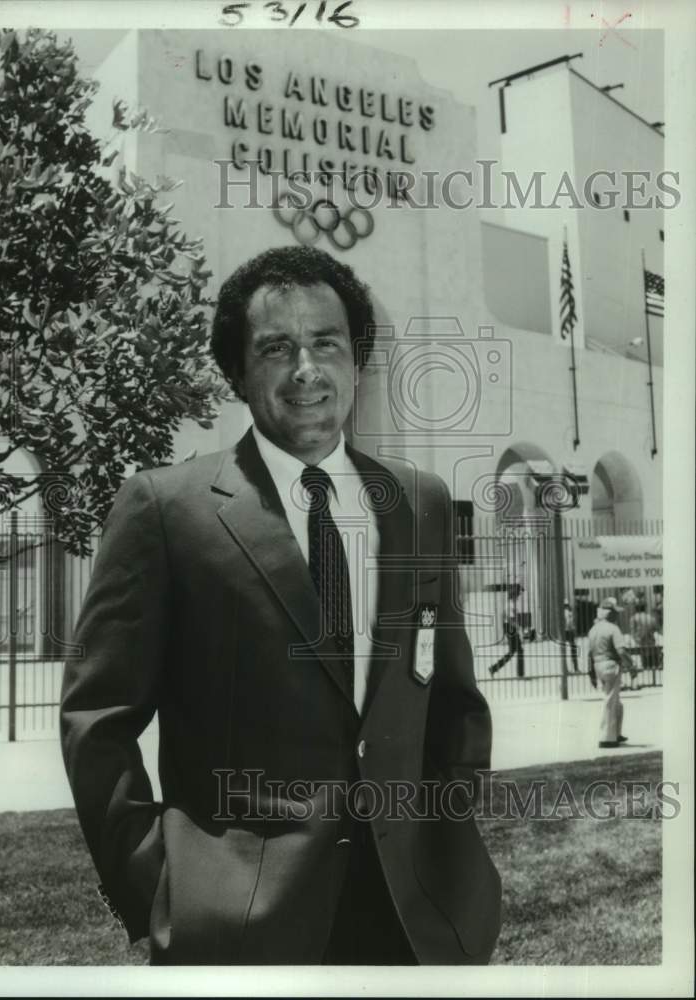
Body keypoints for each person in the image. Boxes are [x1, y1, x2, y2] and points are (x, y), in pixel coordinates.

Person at [59, 245, 501, 966]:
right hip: (240, 928)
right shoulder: (165, 510)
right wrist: (154, 889)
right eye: (275, 348)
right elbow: (97, 720)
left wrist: (450, 849)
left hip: (414, 917)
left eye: (326, 342)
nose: (306, 369)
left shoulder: (418, 504)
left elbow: (452, 701)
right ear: (237, 373)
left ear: (356, 360)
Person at [587, 596, 633, 748]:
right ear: (610, 614)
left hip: (598, 665)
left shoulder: (593, 630)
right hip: (611, 665)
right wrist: (631, 666)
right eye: (615, 612)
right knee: (610, 701)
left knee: (617, 703)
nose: (618, 615)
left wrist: (591, 674)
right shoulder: (613, 629)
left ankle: (616, 733)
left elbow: (589, 654)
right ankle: (606, 738)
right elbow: (621, 650)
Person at [488, 592, 525, 678]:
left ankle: (520, 673)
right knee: (515, 651)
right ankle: (494, 668)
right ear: (513, 597)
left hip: (510, 628)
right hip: (511, 629)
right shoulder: (510, 605)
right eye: (517, 596)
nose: (518, 598)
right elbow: (509, 619)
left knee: (517, 651)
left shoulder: (510, 604)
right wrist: (518, 627)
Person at [630, 599, 658, 685]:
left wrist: (637, 638)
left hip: (639, 643)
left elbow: (632, 631)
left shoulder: (633, 618)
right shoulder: (651, 617)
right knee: (650, 663)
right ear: (645, 608)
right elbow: (655, 629)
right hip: (651, 643)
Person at [563, 598, 579, 673]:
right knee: (573, 650)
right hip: (569, 631)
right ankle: (575, 668)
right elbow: (570, 622)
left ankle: (565, 669)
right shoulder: (568, 612)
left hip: (565, 631)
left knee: (564, 650)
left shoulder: (564, 612)